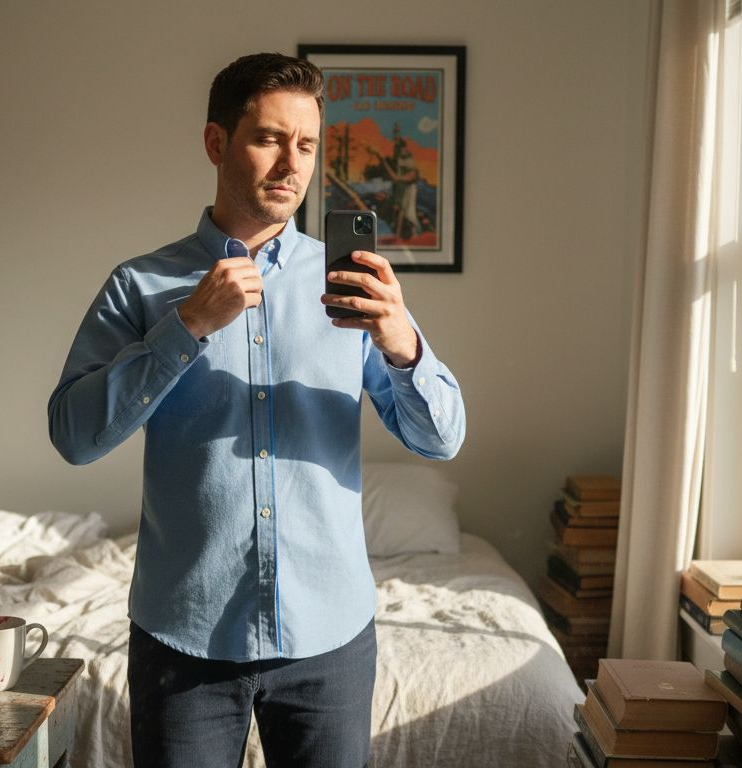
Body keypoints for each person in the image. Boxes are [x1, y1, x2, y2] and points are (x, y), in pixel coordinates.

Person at [46, 52, 465, 768]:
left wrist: (401, 342)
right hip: (186, 641)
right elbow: (74, 436)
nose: (291, 164)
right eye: (270, 139)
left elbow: (442, 439)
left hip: (329, 640)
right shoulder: (143, 285)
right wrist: (186, 328)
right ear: (217, 143)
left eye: (306, 145)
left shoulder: (351, 284)